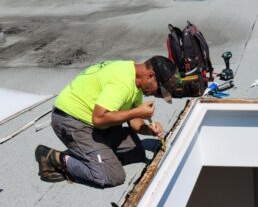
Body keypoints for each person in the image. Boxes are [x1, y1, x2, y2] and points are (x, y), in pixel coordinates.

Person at [34, 56, 180, 187]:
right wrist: (137, 111)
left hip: (95, 123)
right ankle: (53, 157)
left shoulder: (135, 78)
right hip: (71, 121)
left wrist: (149, 130)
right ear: (150, 76)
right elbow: (98, 119)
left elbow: (134, 120)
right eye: (158, 88)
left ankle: (94, 156)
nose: (156, 92)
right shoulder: (122, 83)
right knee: (112, 176)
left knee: (135, 152)